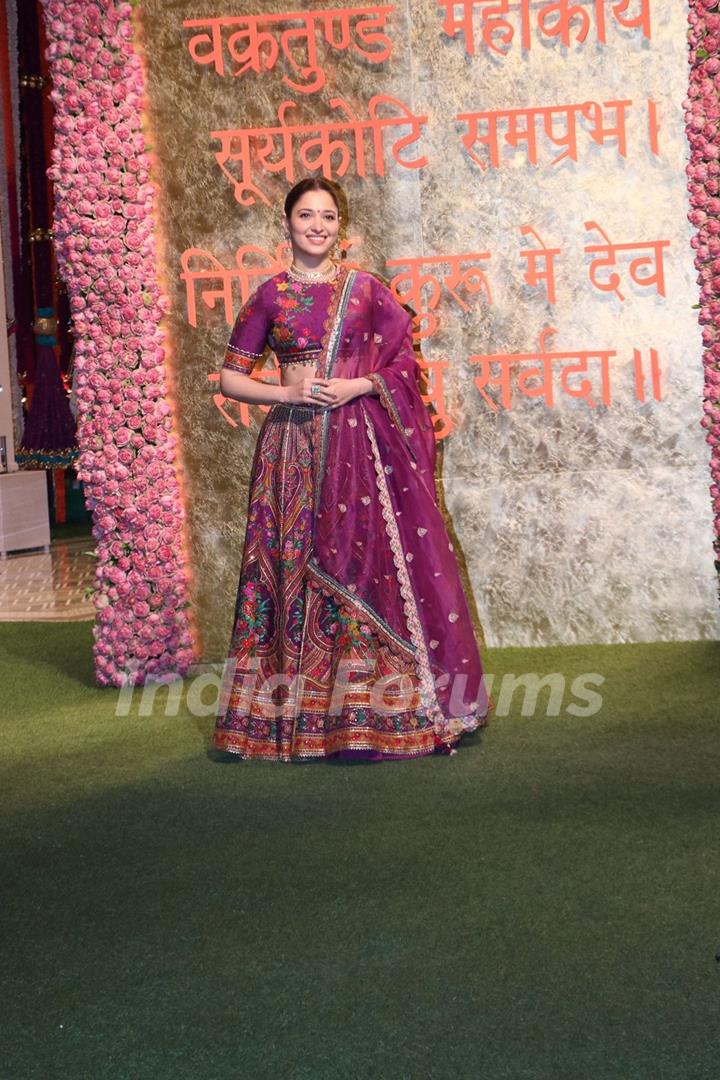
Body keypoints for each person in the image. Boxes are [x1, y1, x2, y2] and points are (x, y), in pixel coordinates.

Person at [212, 177, 492, 762]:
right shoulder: (270, 296)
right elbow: (230, 376)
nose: (317, 226)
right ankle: (292, 718)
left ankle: (375, 713)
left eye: (329, 217)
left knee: (364, 566)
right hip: (290, 453)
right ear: (285, 223)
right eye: (306, 215)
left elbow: (403, 366)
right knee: (289, 567)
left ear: (341, 225)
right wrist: (284, 394)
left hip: (360, 448)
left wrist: (356, 385)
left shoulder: (366, 291)